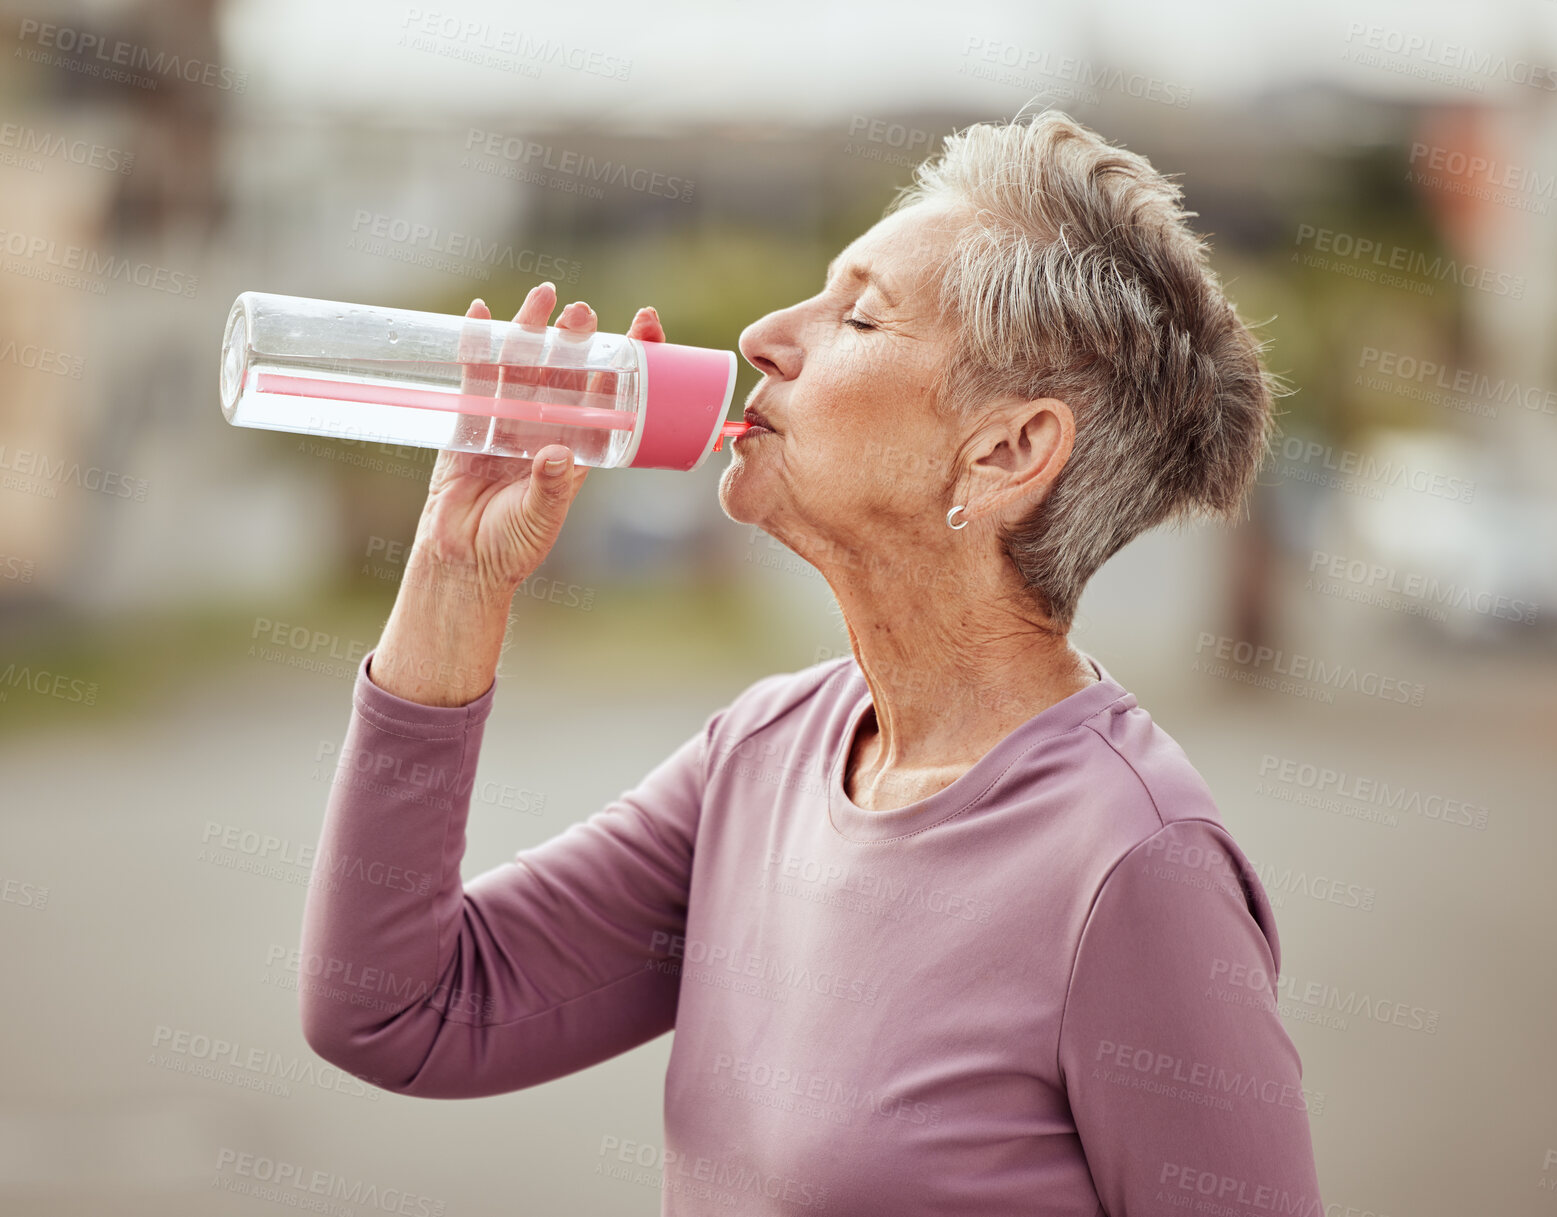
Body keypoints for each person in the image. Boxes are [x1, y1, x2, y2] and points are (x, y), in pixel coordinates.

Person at [299, 109, 1323, 1216]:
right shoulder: (761, 755)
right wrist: (456, 574)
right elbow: (397, 1008)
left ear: (1006, 449)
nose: (762, 335)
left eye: (858, 314)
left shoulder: (1135, 868)